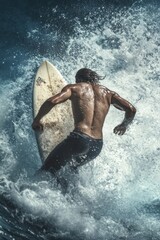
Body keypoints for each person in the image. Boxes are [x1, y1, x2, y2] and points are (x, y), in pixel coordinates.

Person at [32, 68, 136, 175]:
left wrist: (37, 120)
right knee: (69, 171)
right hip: (96, 146)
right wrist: (124, 125)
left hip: (79, 140)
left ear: (78, 79)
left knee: (46, 171)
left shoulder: (75, 88)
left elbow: (52, 101)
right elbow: (131, 110)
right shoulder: (108, 93)